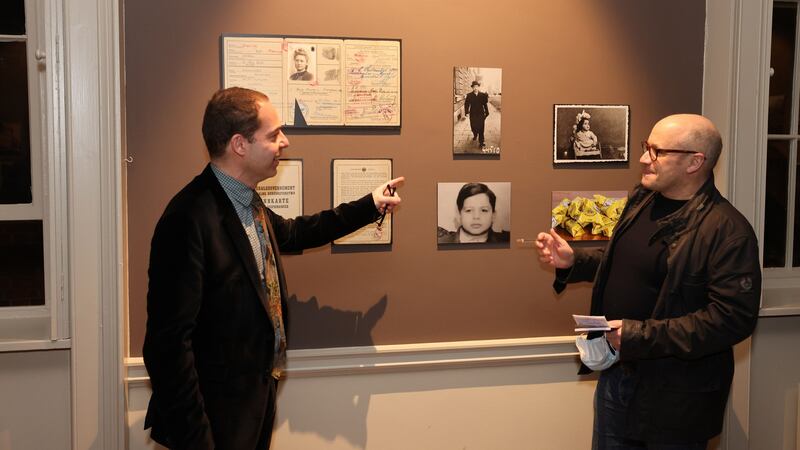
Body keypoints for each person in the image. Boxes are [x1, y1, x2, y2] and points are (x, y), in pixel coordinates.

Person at [142, 87, 404, 450]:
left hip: (252, 405)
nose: (285, 142)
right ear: (239, 145)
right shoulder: (188, 218)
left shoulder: (247, 202)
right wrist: (198, 441)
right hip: (211, 423)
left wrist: (369, 205)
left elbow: (296, 232)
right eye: (273, 134)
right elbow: (166, 346)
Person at [536, 114, 761, 449]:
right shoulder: (642, 201)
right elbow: (626, 264)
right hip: (618, 375)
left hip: (675, 397)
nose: (643, 159)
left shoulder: (727, 231)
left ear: (694, 162)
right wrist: (575, 262)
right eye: (646, 147)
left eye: (656, 151)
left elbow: (731, 319)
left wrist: (640, 335)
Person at [438, 182, 509, 244]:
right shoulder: (441, 241)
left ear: (493, 215)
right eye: (469, 210)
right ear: (459, 214)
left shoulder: (507, 241)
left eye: (484, 210)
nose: (476, 216)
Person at [463, 81, 489, 148]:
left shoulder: (482, 95)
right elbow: (466, 104)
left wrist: (487, 112)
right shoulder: (469, 95)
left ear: (478, 87)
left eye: (476, 87)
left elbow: (485, 104)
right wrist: (466, 112)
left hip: (481, 113)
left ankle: (481, 141)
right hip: (473, 114)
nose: (475, 88)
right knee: (473, 127)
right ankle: (475, 134)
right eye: (474, 87)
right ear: (472, 88)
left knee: (481, 127)